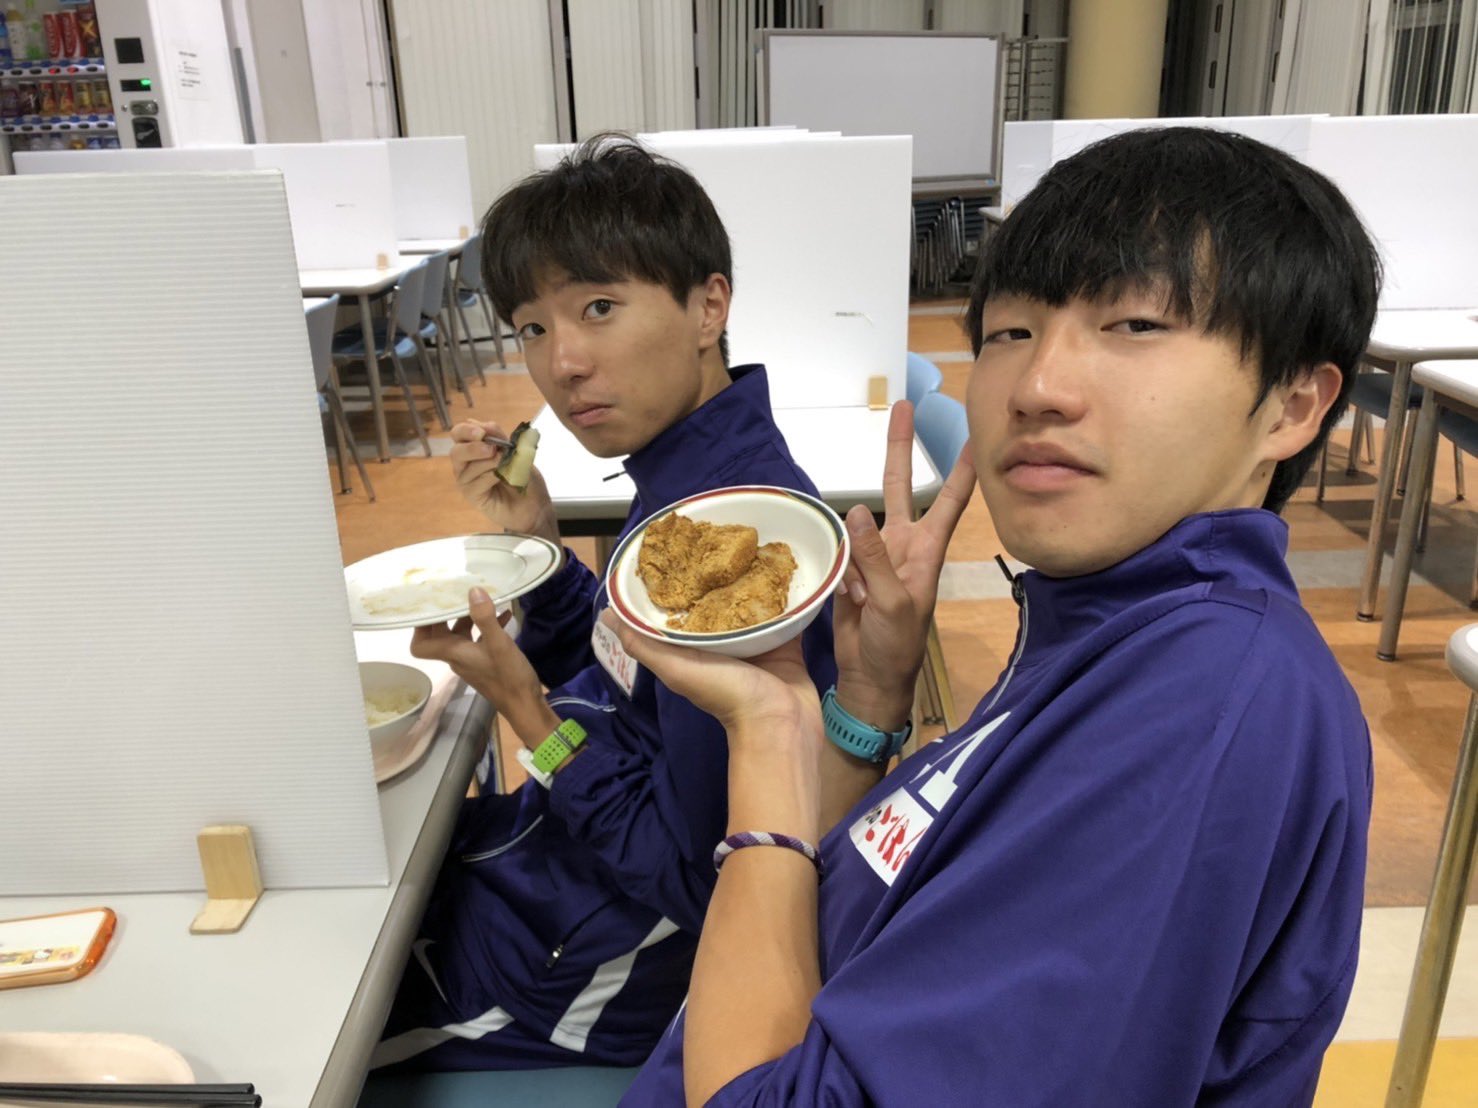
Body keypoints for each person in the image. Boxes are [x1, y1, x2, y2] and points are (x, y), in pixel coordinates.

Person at [608, 126, 1379, 1106]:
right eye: (1010, 332)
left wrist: (762, 739)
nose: (1038, 387)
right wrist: (863, 708)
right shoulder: (1108, 618)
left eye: (1134, 324)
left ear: (1291, 406)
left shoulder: (1208, 701)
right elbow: (850, 889)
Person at [369, 136, 837, 1072]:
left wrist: (528, 714)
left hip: (599, 967)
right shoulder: (683, 478)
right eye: (532, 329)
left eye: (598, 308)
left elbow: (701, 884)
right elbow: (627, 674)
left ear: (709, 306)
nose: (564, 363)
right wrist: (541, 547)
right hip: (553, 869)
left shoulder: (744, 548)